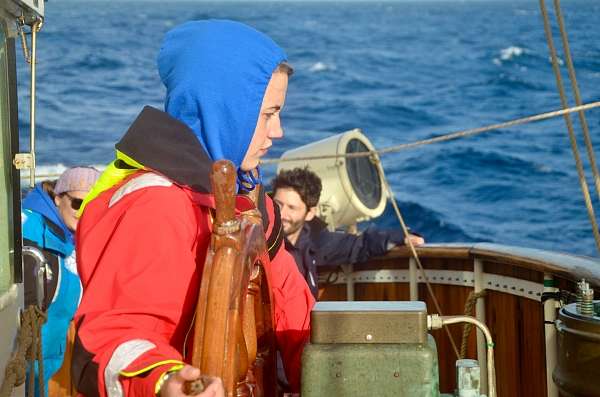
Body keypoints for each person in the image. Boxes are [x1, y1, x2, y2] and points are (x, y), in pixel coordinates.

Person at [71, 20, 314, 397]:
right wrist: (165, 381)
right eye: (268, 114)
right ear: (225, 110)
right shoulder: (155, 205)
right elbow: (115, 338)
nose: (278, 131)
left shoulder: (249, 201)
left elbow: (290, 304)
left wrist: (332, 360)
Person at [271, 167, 425, 298]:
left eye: (291, 208)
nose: (281, 213)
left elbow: (359, 244)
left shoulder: (313, 240)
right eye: (278, 204)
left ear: (311, 213)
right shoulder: (261, 241)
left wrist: (399, 237)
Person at [21, 166, 100, 397]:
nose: (82, 211)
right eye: (77, 202)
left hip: (43, 366)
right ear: (57, 198)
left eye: (91, 204)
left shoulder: (70, 239)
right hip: (19, 364)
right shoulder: (29, 230)